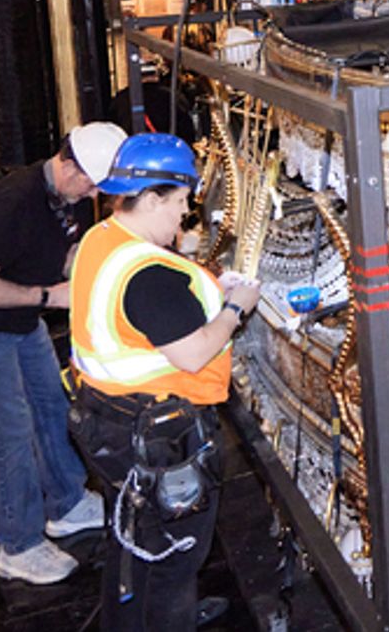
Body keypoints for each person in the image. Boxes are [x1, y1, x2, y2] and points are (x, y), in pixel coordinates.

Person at [67, 133, 260, 631]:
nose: (184, 215)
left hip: (105, 422)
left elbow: (144, 321)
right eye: (177, 203)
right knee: (173, 559)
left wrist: (205, 292)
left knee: (129, 542)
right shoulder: (149, 272)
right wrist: (236, 308)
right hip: (155, 438)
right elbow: (194, 352)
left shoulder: (102, 238)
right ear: (149, 198)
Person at [0, 122, 126, 583]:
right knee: (10, 431)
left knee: (51, 403)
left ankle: (66, 503)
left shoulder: (68, 197)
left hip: (20, 320)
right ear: (70, 164)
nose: (96, 192)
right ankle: (17, 547)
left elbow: (58, 253)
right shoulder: (14, 203)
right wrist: (48, 297)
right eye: (93, 181)